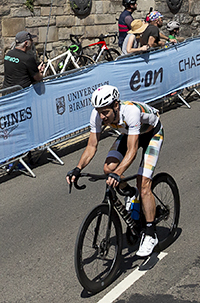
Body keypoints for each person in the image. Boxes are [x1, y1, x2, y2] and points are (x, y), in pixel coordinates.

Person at [67, 85, 164, 258]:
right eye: (99, 112)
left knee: (143, 184)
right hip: (128, 133)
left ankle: (150, 233)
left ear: (116, 106)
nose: (102, 117)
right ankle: (130, 194)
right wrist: (77, 168)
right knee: (108, 168)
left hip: (152, 134)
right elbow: (91, 146)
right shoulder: (97, 115)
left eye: (105, 112)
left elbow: (132, 151)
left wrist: (118, 173)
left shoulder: (131, 112)